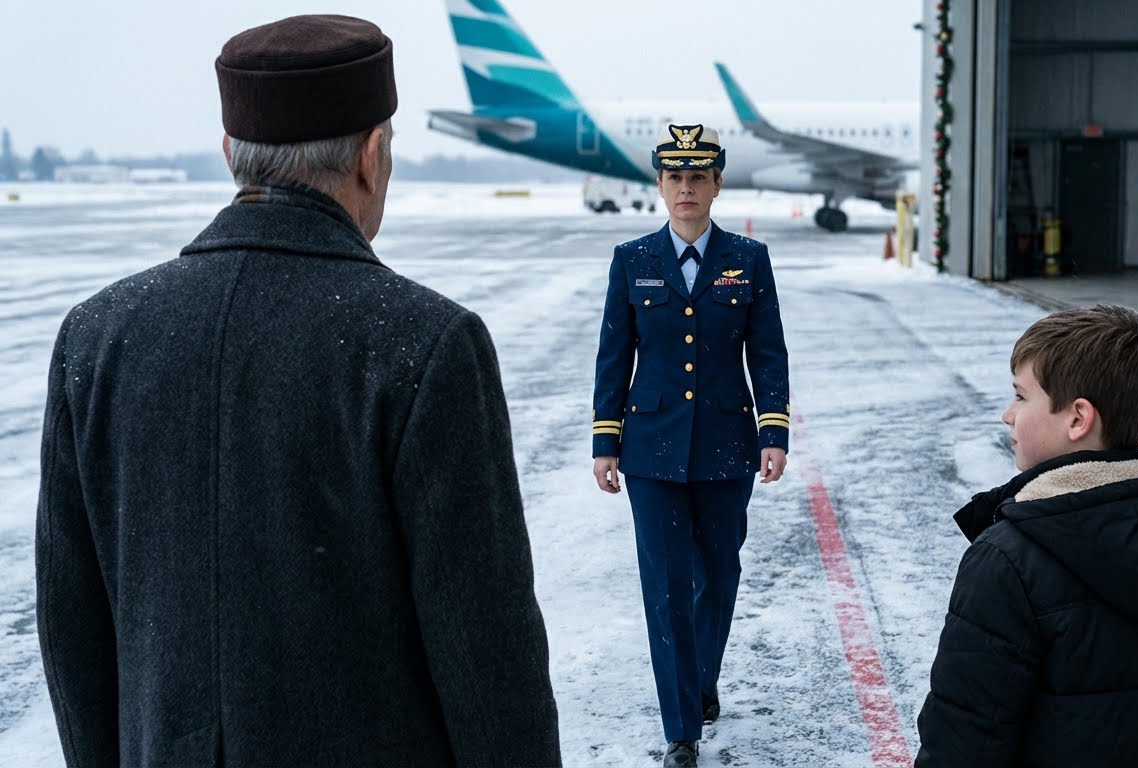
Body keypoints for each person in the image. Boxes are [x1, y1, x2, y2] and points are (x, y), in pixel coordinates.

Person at [35, 15, 560, 767]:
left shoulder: (97, 334)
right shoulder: (425, 342)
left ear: (230, 153)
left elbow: (72, 627)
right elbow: (485, 651)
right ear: (372, 157)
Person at [915, 305, 1138, 767]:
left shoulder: (1009, 560)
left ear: (1078, 419)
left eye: (1020, 396)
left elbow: (965, 739)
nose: (1006, 414)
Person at [592, 124, 790, 768]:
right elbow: (613, 356)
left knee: (719, 575)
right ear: (659, 185)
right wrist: (605, 439)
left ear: (716, 185)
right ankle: (681, 727)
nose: (685, 189)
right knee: (666, 586)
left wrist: (773, 430)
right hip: (649, 450)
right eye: (674, 178)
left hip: (727, 447)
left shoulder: (747, 260)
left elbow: (766, 353)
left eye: (697, 178)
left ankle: (700, 680)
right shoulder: (632, 260)